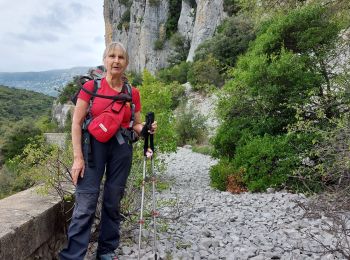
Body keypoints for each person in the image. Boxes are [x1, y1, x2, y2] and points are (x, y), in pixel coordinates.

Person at [59, 42, 157, 260]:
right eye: (112, 56)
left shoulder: (133, 92)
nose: (116, 61)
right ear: (104, 60)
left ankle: (106, 250)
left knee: (113, 201)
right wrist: (77, 158)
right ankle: (72, 256)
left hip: (121, 149)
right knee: (86, 203)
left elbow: (135, 124)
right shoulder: (91, 88)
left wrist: (146, 129)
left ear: (126, 62)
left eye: (121, 57)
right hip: (92, 148)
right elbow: (76, 124)